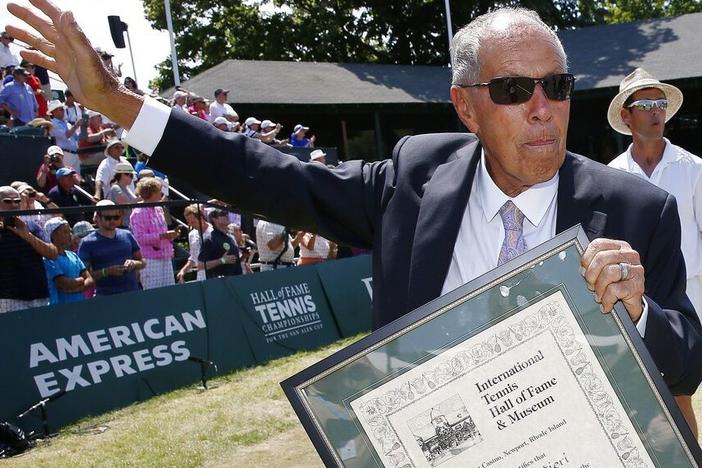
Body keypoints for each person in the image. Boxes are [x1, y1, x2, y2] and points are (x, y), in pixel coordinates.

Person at [9, 3, 701, 398]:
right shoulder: (413, 178)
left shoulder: (637, 209)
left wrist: (638, 313)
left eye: (556, 85)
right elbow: (260, 174)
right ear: (465, 107)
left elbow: (689, 362)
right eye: (516, 92)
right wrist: (119, 105)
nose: (544, 109)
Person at [607, 67, 702, 437]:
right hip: (634, 302)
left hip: (688, 298)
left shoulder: (693, 169)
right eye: (645, 104)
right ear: (626, 115)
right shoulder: (612, 175)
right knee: (642, 400)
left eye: (660, 103)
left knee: (680, 396)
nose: (655, 111)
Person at [0, 186, 57, 313]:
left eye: (17, 201)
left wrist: (27, 235)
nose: (14, 205)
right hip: (8, 298)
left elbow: (53, 253)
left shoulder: (31, 226)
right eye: (8, 201)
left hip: (38, 294)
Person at [77, 200, 144, 296]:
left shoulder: (127, 234)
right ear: (97, 218)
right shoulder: (87, 243)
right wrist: (106, 272)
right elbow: (83, 275)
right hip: (106, 297)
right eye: (108, 218)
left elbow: (142, 262)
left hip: (133, 293)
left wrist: (134, 263)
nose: (112, 221)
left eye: (116, 217)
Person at [129, 177, 177, 289]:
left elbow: (163, 231)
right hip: (149, 260)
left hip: (165, 257)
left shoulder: (159, 209)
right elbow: (139, 238)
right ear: (150, 193)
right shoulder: (138, 212)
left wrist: (170, 239)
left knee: (170, 291)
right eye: (158, 190)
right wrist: (162, 236)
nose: (161, 193)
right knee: (154, 294)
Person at [42, 217, 94, 304]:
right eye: (65, 232)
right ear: (54, 235)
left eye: (70, 231)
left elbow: (90, 280)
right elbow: (63, 283)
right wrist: (81, 280)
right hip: (59, 309)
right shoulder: (49, 258)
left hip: (79, 306)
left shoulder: (73, 255)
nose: (70, 235)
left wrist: (76, 289)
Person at [199, 208, 242, 278]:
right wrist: (222, 260)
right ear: (214, 219)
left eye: (227, 213)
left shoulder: (230, 237)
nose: (227, 215)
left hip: (236, 282)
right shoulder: (210, 239)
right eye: (223, 214)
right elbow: (201, 265)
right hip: (219, 284)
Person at [177, 203, 211, 282]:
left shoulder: (214, 232)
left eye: (193, 222)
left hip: (216, 274)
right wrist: (183, 271)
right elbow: (193, 258)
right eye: (188, 222)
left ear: (201, 218)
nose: (191, 225)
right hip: (201, 277)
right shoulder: (191, 235)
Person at [47, 99, 82, 173]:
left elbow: (76, 138)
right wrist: (76, 125)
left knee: (76, 178)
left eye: (63, 109)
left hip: (74, 153)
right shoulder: (53, 124)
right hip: (65, 154)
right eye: (61, 109)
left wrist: (83, 127)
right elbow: (66, 135)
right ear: (54, 112)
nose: (63, 111)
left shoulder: (67, 123)